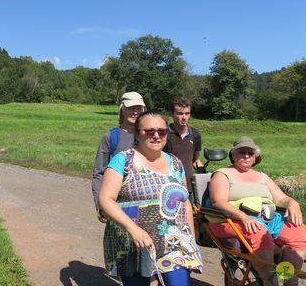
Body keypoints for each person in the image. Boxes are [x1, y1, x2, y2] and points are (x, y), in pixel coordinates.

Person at [99, 110, 203, 286]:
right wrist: (133, 229)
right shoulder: (123, 160)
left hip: (175, 243)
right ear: (137, 134)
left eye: (161, 131)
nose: (156, 136)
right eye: (149, 131)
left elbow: (185, 203)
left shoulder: (176, 163)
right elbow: (106, 199)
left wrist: (191, 240)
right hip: (134, 244)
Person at [207, 136, 306, 286]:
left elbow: (280, 199)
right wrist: (243, 217)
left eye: (250, 153)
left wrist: (293, 202)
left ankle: (287, 278)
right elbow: (218, 201)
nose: (246, 155)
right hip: (233, 218)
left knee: (299, 234)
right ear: (233, 154)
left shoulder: (262, 177)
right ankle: (269, 280)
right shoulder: (223, 174)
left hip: (269, 218)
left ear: (256, 157)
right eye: (242, 152)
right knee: (260, 233)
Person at [92, 91, 146, 222]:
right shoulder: (111, 137)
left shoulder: (151, 136)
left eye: (138, 108)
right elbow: (99, 173)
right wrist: (101, 205)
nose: (135, 112)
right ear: (122, 110)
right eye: (131, 108)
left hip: (147, 204)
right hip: (118, 205)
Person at [164, 98, 203, 196]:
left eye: (187, 113)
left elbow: (196, 160)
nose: (184, 117)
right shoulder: (163, 134)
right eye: (180, 113)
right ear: (172, 114)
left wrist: (203, 174)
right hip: (167, 186)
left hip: (188, 187)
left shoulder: (195, 134)